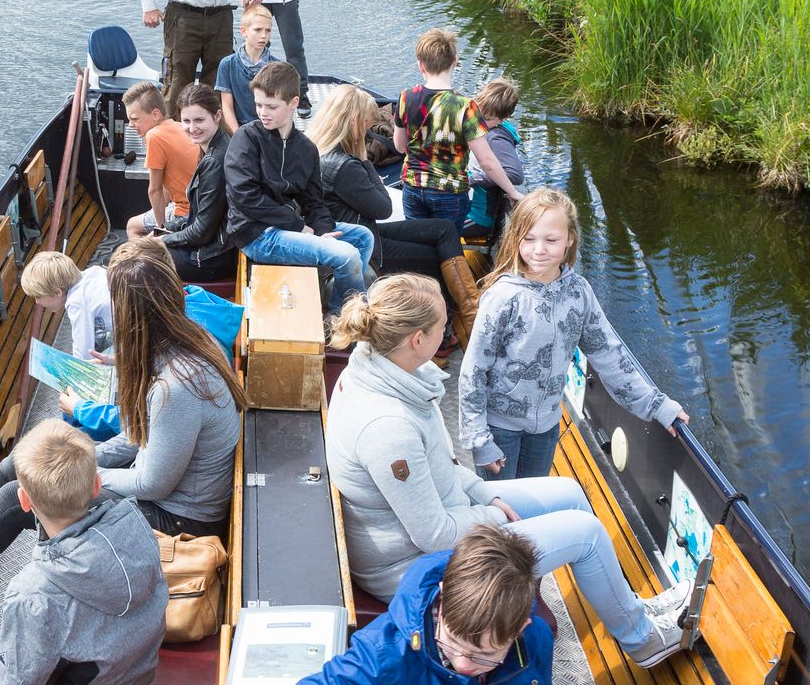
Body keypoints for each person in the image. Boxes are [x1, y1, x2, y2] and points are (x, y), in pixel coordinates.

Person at [323, 273, 695, 669]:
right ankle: (642, 640)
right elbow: (433, 536)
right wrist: (493, 516)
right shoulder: (388, 427)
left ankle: (625, 606)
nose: (446, 333)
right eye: (441, 328)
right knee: (586, 535)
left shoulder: (382, 371)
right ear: (419, 340)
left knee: (569, 492)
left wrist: (486, 495)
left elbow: (440, 468)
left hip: (438, 519)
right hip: (409, 567)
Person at [0, 254, 243, 615]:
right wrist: (65, 461)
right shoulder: (181, 347)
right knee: (27, 458)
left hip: (178, 518)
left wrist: (74, 475)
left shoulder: (175, 387)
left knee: (16, 500)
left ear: (137, 318)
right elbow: (136, 437)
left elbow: (152, 482)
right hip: (163, 490)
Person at [460, 187, 690, 483]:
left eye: (551, 240)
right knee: (501, 512)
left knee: (532, 505)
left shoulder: (579, 292)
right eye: (528, 239)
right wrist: (479, 439)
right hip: (499, 428)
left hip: (545, 428)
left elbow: (608, 353)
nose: (539, 249)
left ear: (569, 240)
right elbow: (474, 370)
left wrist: (657, 405)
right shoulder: (503, 297)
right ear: (516, 238)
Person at [0, 419, 167, 685]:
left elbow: (20, 680)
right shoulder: (138, 524)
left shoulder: (32, 596)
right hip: (138, 673)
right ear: (96, 485)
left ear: (24, 500)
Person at [310, 84, 481, 346]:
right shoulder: (346, 166)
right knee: (435, 255)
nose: (367, 133)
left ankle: (468, 314)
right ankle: (440, 335)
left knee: (444, 229)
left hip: (359, 231)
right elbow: (383, 208)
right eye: (366, 126)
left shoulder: (321, 151)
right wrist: (365, 161)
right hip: (365, 248)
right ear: (353, 122)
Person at [297, 524, 553, 685]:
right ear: (442, 601)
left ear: (521, 627)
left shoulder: (537, 639)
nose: (463, 665)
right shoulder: (383, 652)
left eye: (485, 655)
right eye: (451, 642)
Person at [223, 61, 376, 312]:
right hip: (256, 234)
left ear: (293, 103)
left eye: (271, 106)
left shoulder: (306, 149)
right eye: (259, 104)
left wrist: (323, 230)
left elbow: (314, 201)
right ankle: (347, 319)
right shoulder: (247, 138)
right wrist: (299, 226)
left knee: (363, 237)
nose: (263, 112)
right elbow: (244, 197)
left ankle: (335, 306)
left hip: (290, 228)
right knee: (346, 256)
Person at [394, 29, 524, 228]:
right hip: (450, 193)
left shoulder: (406, 97)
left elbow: (400, 145)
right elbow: (487, 161)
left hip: (413, 187)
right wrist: (513, 192)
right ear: (455, 61)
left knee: (418, 243)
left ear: (421, 65)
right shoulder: (466, 107)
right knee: (447, 246)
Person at [159, 84, 238, 283]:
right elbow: (200, 216)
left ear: (217, 116)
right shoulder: (216, 145)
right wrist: (169, 227)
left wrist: (162, 241)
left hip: (211, 258)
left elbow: (202, 232)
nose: (192, 128)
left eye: (199, 120)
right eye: (186, 121)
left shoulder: (215, 161)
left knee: (136, 259)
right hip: (218, 248)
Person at [122, 83, 199, 239]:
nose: (130, 124)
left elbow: (155, 190)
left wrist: (161, 230)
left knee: (132, 226)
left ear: (155, 115)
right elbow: (166, 186)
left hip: (184, 213)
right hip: (199, 209)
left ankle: (151, 259)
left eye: (135, 119)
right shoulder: (178, 126)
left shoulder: (154, 136)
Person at [463, 78, 526, 240]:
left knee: (437, 228)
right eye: (479, 114)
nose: (480, 121)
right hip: (470, 206)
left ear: (503, 118)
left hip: (478, 217)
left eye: (488, 118)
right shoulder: (486, 129)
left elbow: (515, 174)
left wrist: (474, 179)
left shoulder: (495, 137)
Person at [22, 251, 109, 363]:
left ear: (58, 292)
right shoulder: (93, 272)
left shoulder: (77, 303)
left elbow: (83, 355)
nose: (37, 302)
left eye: (38, 296)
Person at [213, 4, 280, 133]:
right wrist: (239, 137)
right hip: (237, 131)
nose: (263, 36)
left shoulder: (277, 67)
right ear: (243, 31)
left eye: (268, 30)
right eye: (258, 30)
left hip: (268, 131)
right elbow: (227, 107)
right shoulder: (227, 64)